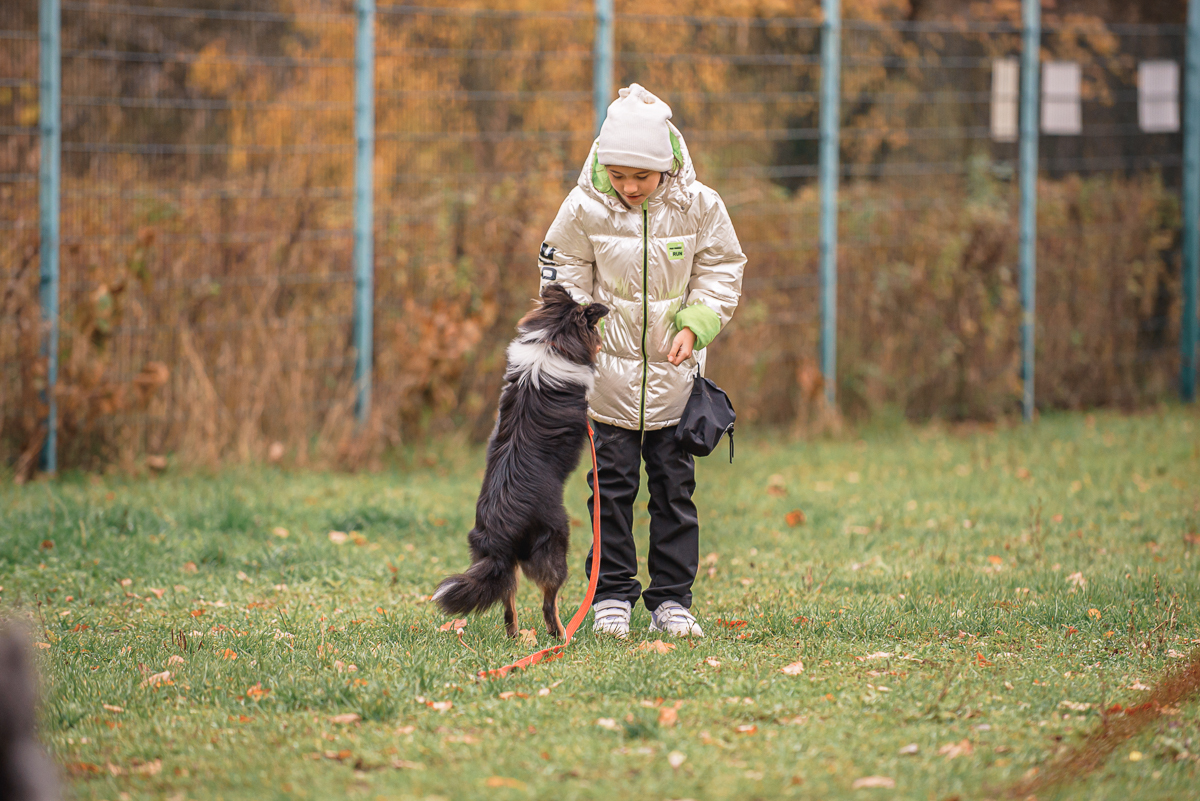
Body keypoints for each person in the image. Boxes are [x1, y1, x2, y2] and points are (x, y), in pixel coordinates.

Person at [537, 83, 745, 638]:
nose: (630, 188)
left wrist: (697, 323)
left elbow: (722, 268)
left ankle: (672, 601)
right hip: (607, 386)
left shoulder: (701, 206)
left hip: (677, 385)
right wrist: (581, 327)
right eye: (620, 174)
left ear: (666, 167)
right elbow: (562, 272)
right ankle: (611, 596)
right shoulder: (583, 208)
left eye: (642, 177)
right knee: (611, 491)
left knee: (675, 491)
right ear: (605, 163)